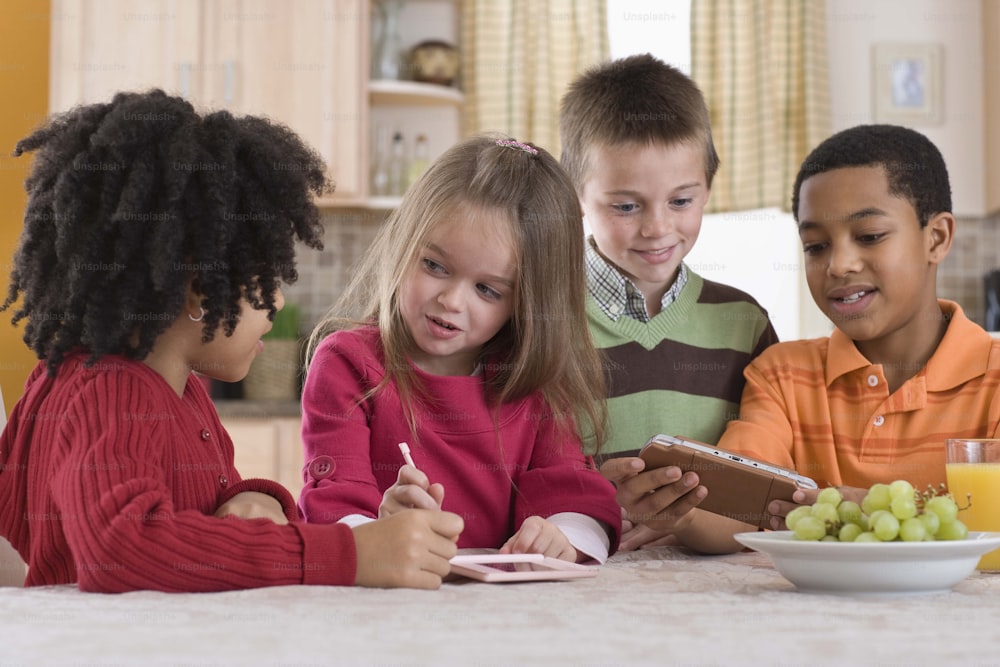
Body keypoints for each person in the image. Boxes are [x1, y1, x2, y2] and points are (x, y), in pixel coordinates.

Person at [0, 89, 463, 593]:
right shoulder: (108, 391)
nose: (278, 304)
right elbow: (122, 546)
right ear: (199, 287)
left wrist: (257, 500)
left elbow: (204, 503)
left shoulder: (177, 388)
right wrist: (345, 555)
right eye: (265, 280)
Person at [616, 124, 1000, 553]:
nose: (839, 264)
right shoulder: (783, 375)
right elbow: (731, 512)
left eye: (869, 236)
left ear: (938, 238)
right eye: (815, 246)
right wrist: (681, 509)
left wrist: (875, 511)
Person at [299, 135, 621, 563]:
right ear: (403, 241)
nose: (451, 300)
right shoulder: (347, 365)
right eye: (434, 266)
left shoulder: (535, 384)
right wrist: (379, 531)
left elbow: (578, 499)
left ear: (527, 303)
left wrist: (559, 536)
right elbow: (332, 507)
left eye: (487, 290)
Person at [559, 53, 779, 550]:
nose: (658, 228)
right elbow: (506, 463)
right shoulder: (541, 318)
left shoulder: (744, 323)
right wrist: (595, 503)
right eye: (625, 205)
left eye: (681, 201)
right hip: (578, 573)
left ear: (708, 187)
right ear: (575, 196)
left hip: (712, 586)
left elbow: (764, 486)